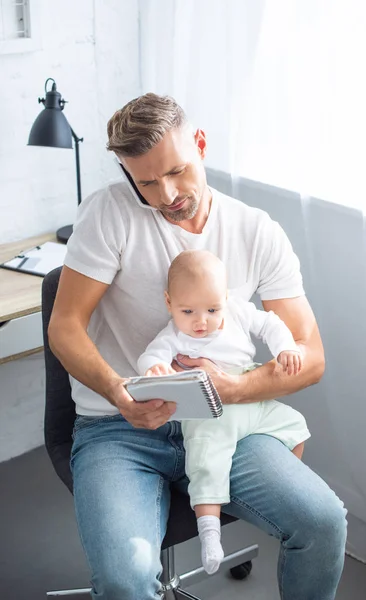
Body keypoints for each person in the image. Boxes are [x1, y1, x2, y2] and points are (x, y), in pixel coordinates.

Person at [49, 92, 347, 600]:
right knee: (124, 580)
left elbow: (310, 356)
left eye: (176, 172)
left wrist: (230, 388)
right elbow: (65, 326)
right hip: (118, 427)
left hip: (223, 423)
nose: (165, 195)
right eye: (145, 182)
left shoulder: (255, 231)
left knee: (323, 523)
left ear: (201, 145)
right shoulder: (108, 214)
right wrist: (120, 391)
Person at [137, 248, 311, 575]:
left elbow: (270, 324)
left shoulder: (237, 312)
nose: (201, 321)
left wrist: (286, 348)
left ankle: (281, 488)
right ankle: (210, 533)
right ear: (169, 302)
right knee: (206, 462)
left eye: (212, 309)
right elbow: (150, 356)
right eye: (188, 310)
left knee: (296, 425)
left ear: (226, 298)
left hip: (248, 395)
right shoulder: (173, 334)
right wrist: (157, 368)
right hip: (208, 410)